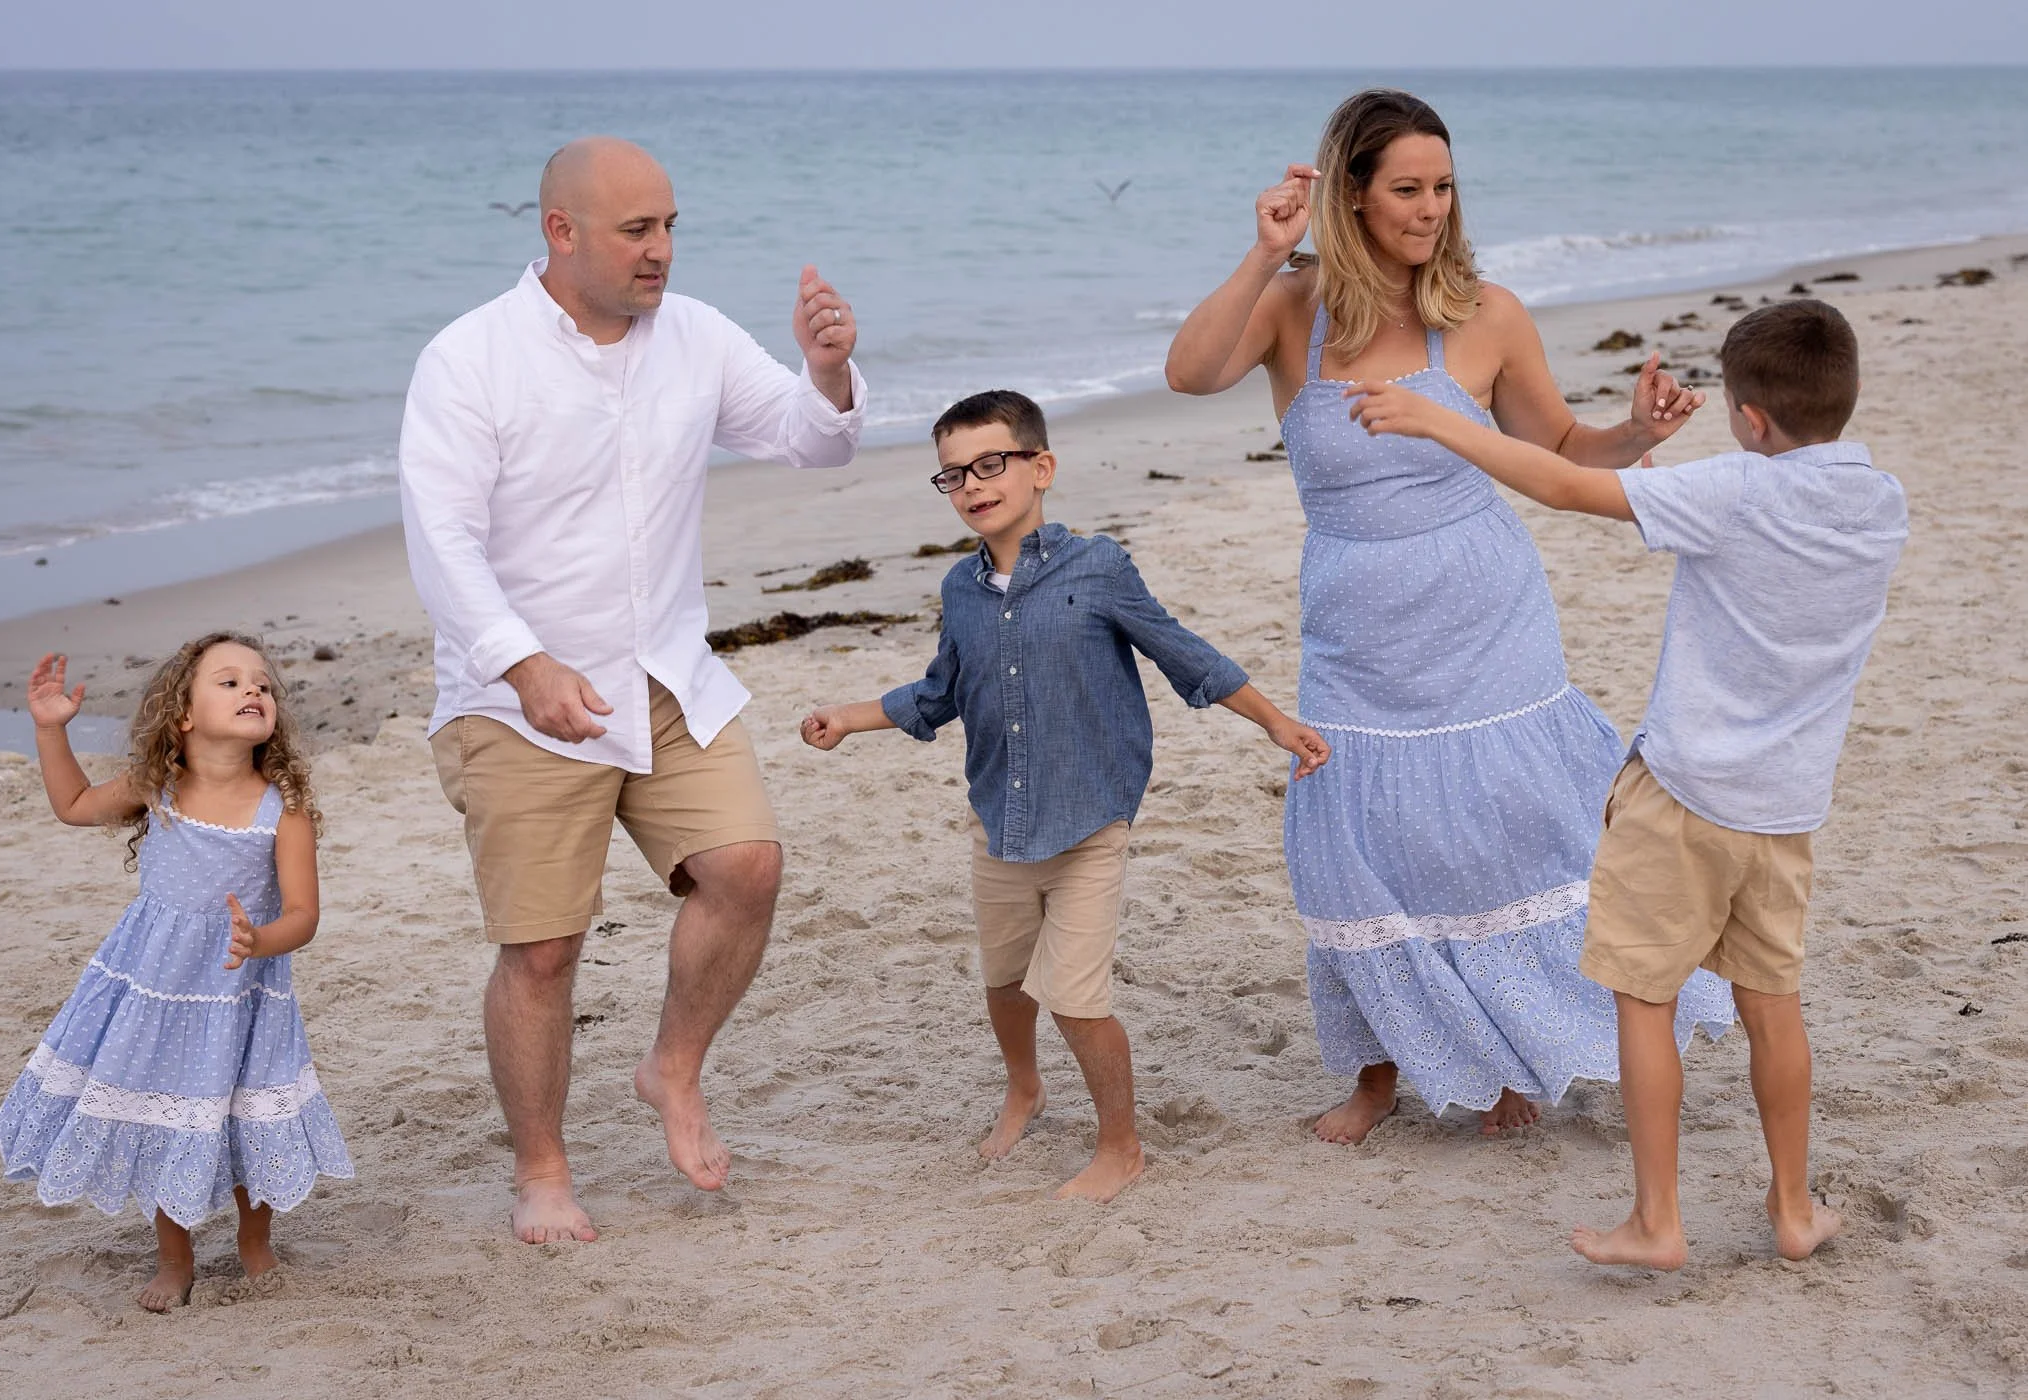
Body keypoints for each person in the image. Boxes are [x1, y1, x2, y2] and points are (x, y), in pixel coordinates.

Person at [1164, 88, 1736, 1143]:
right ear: (1352, 194)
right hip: (1356, 621)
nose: (1430, 210)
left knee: (1501, 836)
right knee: (1360, 835)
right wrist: (1260, 252)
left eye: (1444, 187)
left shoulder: (1488, 312)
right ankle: (1378, 1071)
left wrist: (1633, 430)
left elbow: (1559, 447)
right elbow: (1189, 372)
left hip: (1487, 614)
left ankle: (1505, 1051)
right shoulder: (1296, 309)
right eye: (1407, 189)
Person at [1346, 298, 1905, 1268]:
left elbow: (1564, 489)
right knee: (1774, 1005)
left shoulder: (1732, 490)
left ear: (1752, 417)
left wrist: (1443, 419)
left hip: (1684, 793)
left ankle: (1657, 1217)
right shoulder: (1880, 501)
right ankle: (1794, 1207)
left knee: (1643, 999)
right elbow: (1701, 513)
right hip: (1786, 809)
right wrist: (1645, 452)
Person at [399, 137, 865, 1244]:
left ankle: (673, 1065)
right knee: (546, 947)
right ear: (561, 231)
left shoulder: (694, 334)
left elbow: (812, 443)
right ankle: (543, 1167)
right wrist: (524, 663)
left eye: (668, 226)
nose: (660, 250)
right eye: (635, 230)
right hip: (514, 693)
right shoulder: (470, 359)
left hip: (664, 673)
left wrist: (829, 371)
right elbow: (441, 538)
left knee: (746, 866)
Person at [799, 390, 1330, 1202]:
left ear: (1040, 468)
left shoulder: (1099, 567)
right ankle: (1025, 1088)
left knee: (1077, 998)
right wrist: (851, 716)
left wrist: (1275, 722)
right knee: (1006, 984)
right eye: (952, 475)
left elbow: (1183, 653)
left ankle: (1121, 1144)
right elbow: (940, 693)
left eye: (990, 464)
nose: (973, 484)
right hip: (1000, 823)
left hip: (1088, 821)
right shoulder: (959, 591)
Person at [0, 637, 353, 1312]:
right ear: (181, 714)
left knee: (244, 1116)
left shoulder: (283, 809)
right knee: (164, 1115)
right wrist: (49, 728)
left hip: (242, 995)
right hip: (155, 990)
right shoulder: (158, 790)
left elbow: (304, 914)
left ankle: (254, 1245)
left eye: (262, 685)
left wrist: (259, 939)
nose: (253, 692)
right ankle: (174, 1259)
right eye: (230, 681)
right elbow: (73, 804)